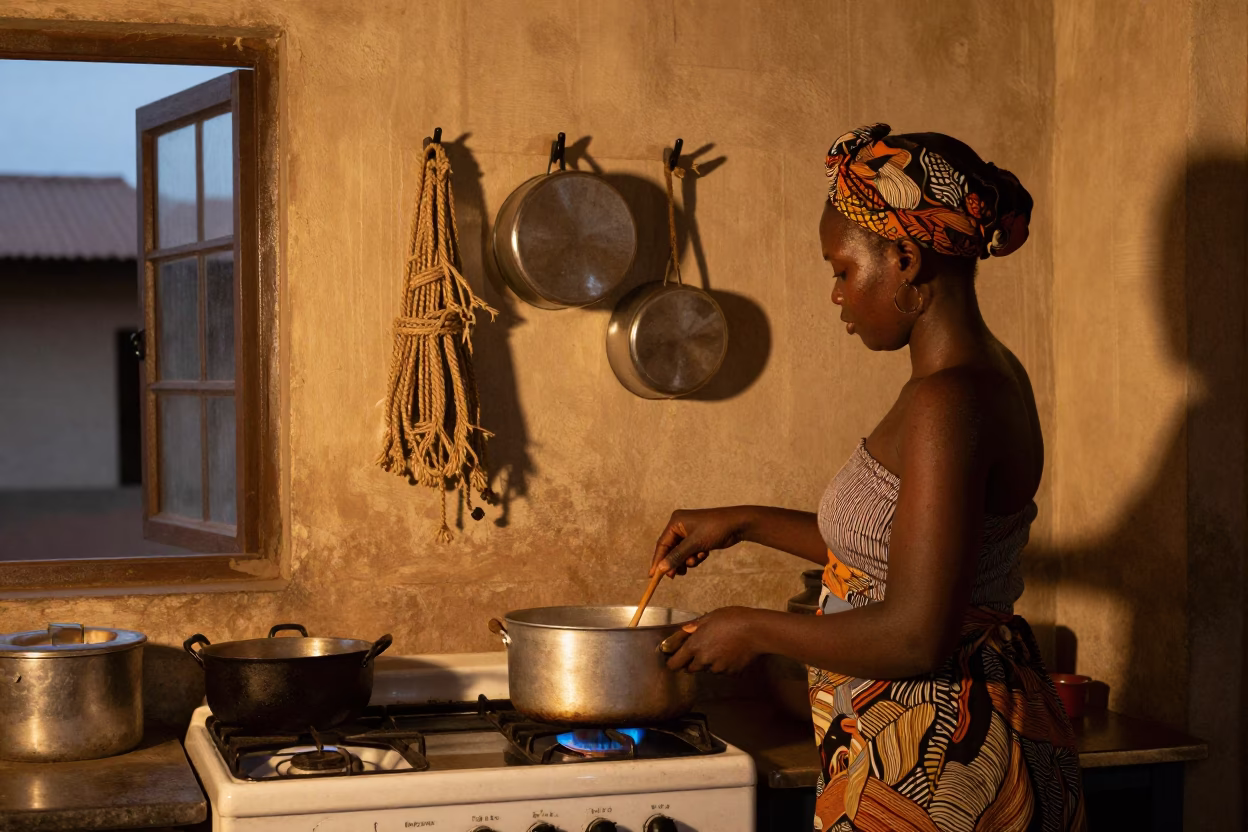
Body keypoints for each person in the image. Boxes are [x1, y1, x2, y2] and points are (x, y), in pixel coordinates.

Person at [649, 124, 1086, 831]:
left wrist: (751, 629)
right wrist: (744, 522)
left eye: (841, 270)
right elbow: (888, 561)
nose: (836, 296)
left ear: (906, 260)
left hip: (943, 761)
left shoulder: (952, 401)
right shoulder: (967, 382)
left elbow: (916, 634)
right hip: (912, 744)